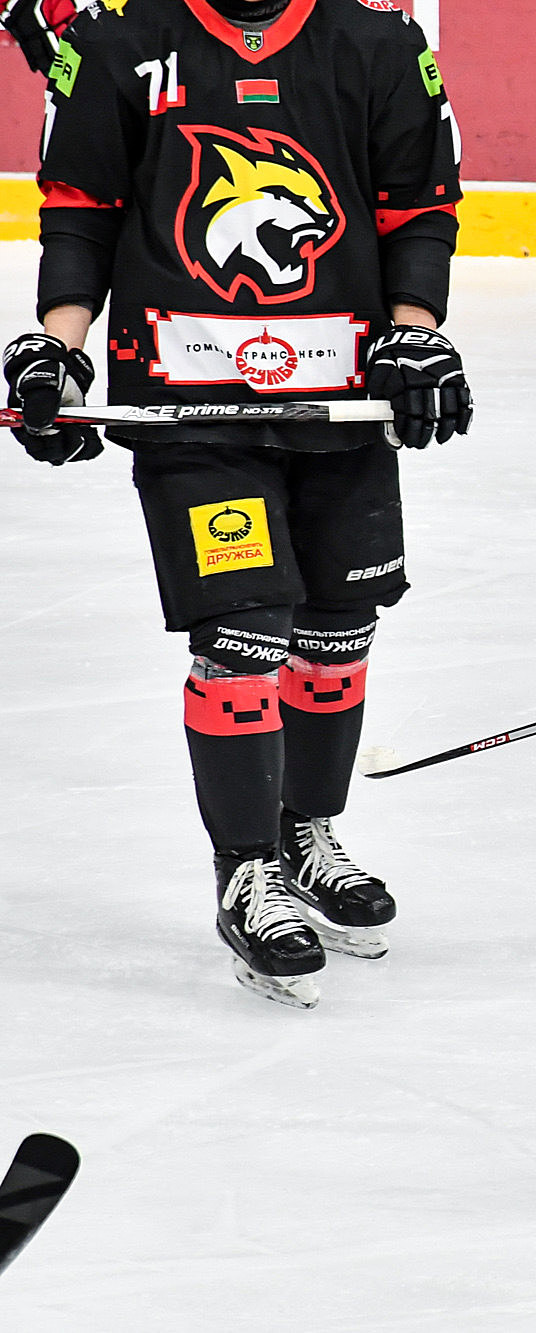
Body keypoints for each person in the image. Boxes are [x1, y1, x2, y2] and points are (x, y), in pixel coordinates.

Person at [5, 0, 471, 1009]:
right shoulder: (120, 42)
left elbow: (417, 203)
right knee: (245, 632)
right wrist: (59, 344)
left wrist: (416, 330)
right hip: (191, 406)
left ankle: (305, 834)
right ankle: (247, 868)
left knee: (337, 632)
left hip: (341, 401)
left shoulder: (379, 43)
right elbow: (81, 204)